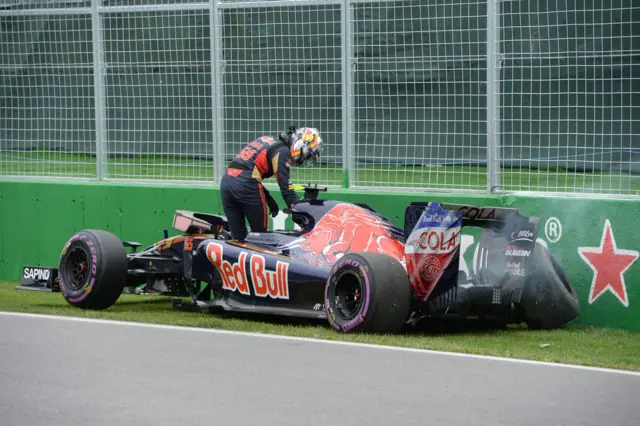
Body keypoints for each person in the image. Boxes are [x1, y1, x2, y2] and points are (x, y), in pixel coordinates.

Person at [220, 126, 323, 241]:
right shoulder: (283, 152)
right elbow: (286, 190)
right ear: (300, 145)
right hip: (246, 185)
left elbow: (246, 170)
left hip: (226, 182)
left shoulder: (268, 140)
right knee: (261, 237)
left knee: (238, 237)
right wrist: (302, 214)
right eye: (305, 155)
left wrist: (268, 198)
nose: (303, 159)